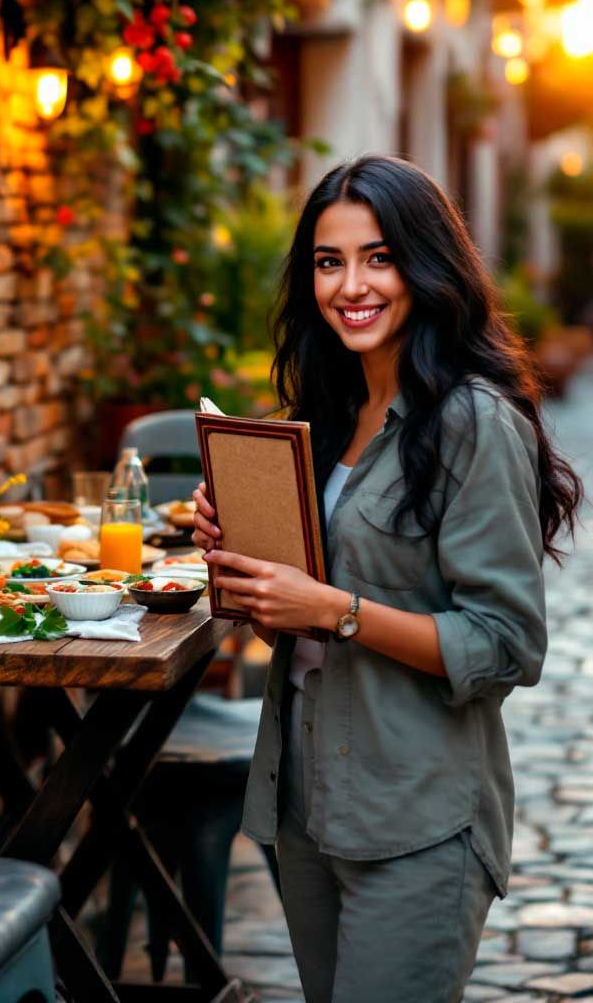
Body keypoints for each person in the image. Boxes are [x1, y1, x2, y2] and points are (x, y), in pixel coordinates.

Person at [192, 155, 583, 1003]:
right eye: (329, 262)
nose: (350, 285)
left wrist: (334, 609)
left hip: (416, 816)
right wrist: (248, 568)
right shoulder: (328, 418)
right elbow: (295, 631)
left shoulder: (470, 422)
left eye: (379, 257)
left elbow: (508, 644)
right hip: (306, 800)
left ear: (427, 266)